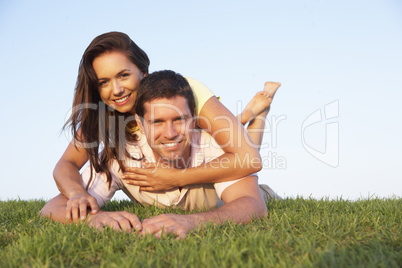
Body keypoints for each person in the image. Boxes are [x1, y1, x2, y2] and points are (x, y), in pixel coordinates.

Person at [54, 31, 281, 221]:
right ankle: (251, 114)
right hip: (167, 149)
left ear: (143, 73)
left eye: (123, 75)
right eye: (103, 82)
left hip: (200, 146)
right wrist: (77, 195)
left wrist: (175, 178)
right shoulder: (104, 114)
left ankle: (255, 114)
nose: (116, 90)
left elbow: (249, 158)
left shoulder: (181, 93)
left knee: (224, 143)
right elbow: (66, 164)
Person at [41, 70, 278, 238]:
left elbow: (253, 205)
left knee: (260, 188)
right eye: (157, 122)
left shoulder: (213, 147)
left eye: (179, 119)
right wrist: (92, 219)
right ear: (140, 124)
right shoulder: (121, 156)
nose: (170, 133)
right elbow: (52, 207)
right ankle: (252, 115)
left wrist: (193, 221)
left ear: (194, 119)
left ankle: (257, 116)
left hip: (231, 192)